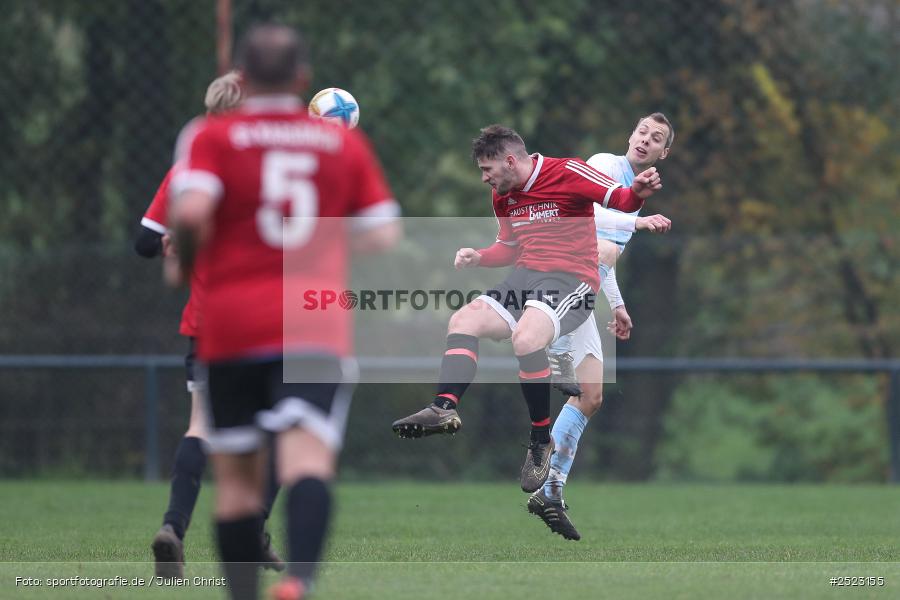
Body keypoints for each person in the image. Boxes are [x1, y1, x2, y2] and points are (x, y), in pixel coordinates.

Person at [169, 24, 400, 600]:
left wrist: (182, 265)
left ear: (243, 80)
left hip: (231, 324)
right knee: (308, 459)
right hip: (312, 324)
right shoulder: (342, 144)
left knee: (238, 480)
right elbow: (383, 234)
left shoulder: (211, 136)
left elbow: (193, 212)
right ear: (302, 81)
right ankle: (299, 581)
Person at [391, 125, 663, 496]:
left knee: (526, 338)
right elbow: (507, 247)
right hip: (525, 278)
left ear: (509, 160)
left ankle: (540, 441)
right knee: (463, 320)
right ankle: (444, 407)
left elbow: (620, 199)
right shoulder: (503, 195)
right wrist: (479, 257)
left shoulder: (566, 171)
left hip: (572, 280)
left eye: (488, 169)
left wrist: (637, 195)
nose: (484, 177)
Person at [135, 71, 284, 577]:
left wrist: (166, 244)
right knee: (285, 432)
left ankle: (173, 528)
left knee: (202, 426)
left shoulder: (188, 172)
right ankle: (254, 532)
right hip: (274, 324)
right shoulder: (278, 167)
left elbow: (143, 240)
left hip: (211, 324)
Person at [530, 113, 675, 540]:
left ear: (664, 153)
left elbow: (602, 256)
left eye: (657, 139)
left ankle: (550, 489)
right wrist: (639, 221)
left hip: (579, 289)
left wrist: (619, 306)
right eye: (642, 132)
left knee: (591, 397)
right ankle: (554, 352)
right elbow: (584, 227)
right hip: (552, 275)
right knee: (608, 249)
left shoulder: (635, 190)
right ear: (630, 135)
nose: (646, 140)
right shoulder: (604, 166)